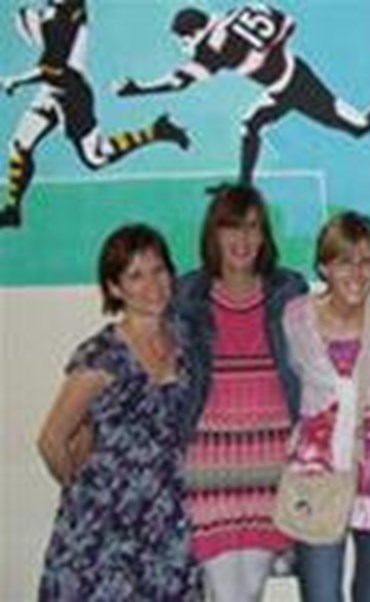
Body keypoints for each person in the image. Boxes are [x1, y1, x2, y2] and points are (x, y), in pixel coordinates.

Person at [36, 223, 202, 599]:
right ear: (115, 288)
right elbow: (51, 440)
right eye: (135, 276)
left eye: (158, 270)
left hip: (170, 521)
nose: (152, 284)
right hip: (106, 530)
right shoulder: (101, 356)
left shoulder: (188, 342)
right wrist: (83, 491)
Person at [173, 183, 308, 602]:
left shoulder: (288, 291)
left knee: (250, 590)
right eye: (231, 227)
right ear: (214, 234)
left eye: (252, 227)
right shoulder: (187, 295)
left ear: (264, 236)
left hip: (269, 463)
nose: (243, 239)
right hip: (209, 464)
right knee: (223, 591)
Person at [281, 211, 370, 602]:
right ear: (324, 266)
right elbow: (294, 380)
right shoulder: (296, 317)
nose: (357, 273)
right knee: (320, 593)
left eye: (367, 261)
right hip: (318, 469)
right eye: (344, 261)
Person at [115, 4, 370, 184]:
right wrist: (269, 50)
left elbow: (180, 81)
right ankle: (245, 185)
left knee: (360, 127)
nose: (184, 44)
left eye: (184, 37)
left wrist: (139, 89)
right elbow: (287, 23)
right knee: (249, 125)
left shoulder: (214, 45)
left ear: (195, 31)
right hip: (283, 84)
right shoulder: (234, 13)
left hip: (298, 86)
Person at [0, 0, 189, 229]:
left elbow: (52, 70)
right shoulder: (58, 13)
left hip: (72, 96)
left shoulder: (62, 19)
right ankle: (12, 209)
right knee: (20, 144)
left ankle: (157, 131)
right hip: (51, 92)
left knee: (95, 158)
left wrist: (15, 80)